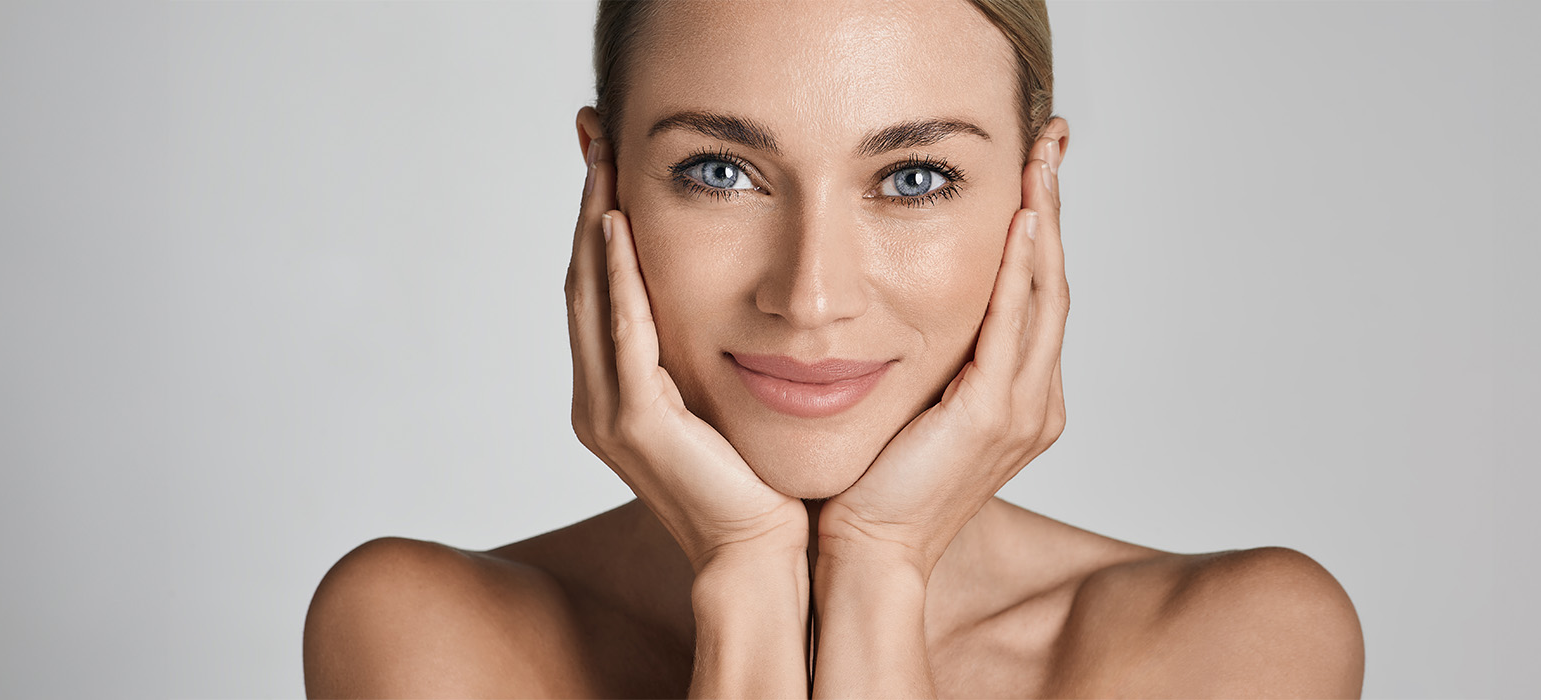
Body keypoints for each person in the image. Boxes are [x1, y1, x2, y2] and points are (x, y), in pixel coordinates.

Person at [302, 0, 1364, 696]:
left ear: (1037, 197)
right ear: (604, 180)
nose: (809, 296)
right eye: (719, 171)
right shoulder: (425, 641)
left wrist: (880, 568)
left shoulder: (1239, 649)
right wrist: (746, 582)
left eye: (913, 179)